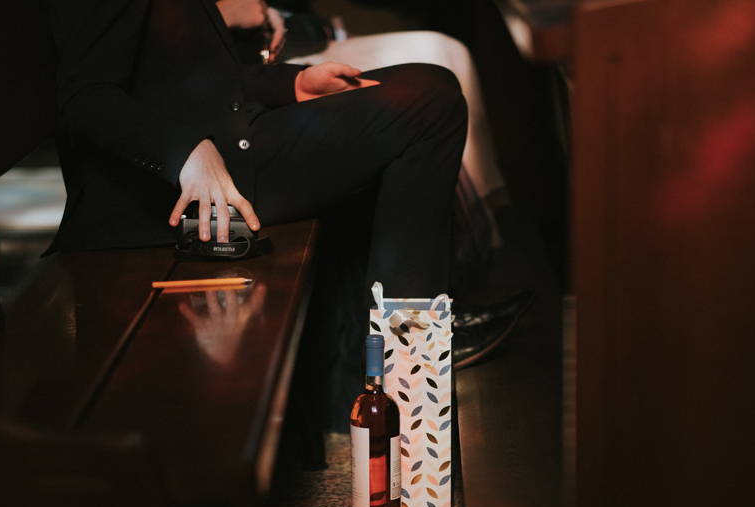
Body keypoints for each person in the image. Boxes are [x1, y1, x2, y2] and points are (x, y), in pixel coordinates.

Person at [48, 0, 524, 372]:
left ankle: (408, 333)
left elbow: (183, 74)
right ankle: (409, 354)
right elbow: (82, 97)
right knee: (430, 109)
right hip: (181, 187)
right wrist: (184, 153)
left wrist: (294, 85)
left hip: (223, 140)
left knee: (431, 81)